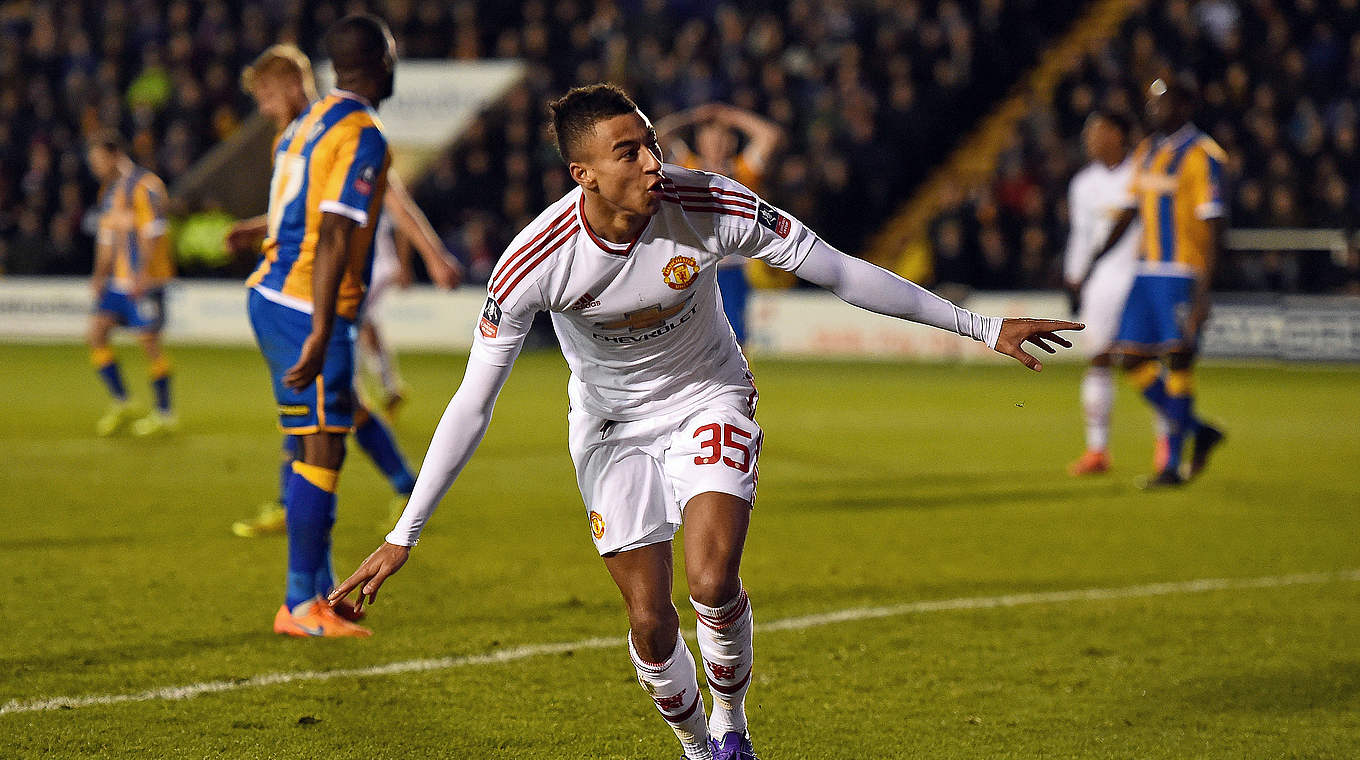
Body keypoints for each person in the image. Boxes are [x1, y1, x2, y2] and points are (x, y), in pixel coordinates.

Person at [328, 84, 1080, 758]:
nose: (653, 161)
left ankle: (731, 724)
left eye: (652, 141)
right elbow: (473, 400)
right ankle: (698, 747)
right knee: (651, 623)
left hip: (707, 395)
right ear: (582, 174)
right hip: (610, 427)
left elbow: (842, 271)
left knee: (713, 580)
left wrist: (981, 327)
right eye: (629, 152)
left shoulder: (710, 203)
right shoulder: (535, 261)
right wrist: (405, 534)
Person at [227, 43, 460, 539]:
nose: (265, 109)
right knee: (335, 401)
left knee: (314, 403)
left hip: (331, 284)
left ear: (292, 83)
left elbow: (391, 199)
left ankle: (298, 518)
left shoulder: (341, 131)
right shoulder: (295, 135)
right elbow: (300, 212)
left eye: (267, 96)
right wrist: (255, 227)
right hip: (311, 282)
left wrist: (434, 255)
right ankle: (400, 484)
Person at [245, 15, 398, 637]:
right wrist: (321, 328)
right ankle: (298, 604)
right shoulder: (362, 133)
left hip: (277, 292)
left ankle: (317, 593)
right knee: (324, 445)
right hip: (309, 303)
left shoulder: (307, 122)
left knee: (318, 439)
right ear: (383, 62)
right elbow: (334, 230)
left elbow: (298, 206)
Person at [1081, 78, 1226, 488]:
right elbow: (1129, 212)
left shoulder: (1202, 155)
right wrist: (1094, 258)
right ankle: (1199, 431)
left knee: (1178, 359)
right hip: (1146, 273)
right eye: (1150, 103)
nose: (1152, 110)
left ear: (1183, 106)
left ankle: (1171, 466)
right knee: (1131, 359)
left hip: (1182, 273)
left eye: (1160, 103)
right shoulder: (1147, 151)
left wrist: (1204, 293)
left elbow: (1216, 226)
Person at [1062, 112, 1168, 475]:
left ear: (1118, 134)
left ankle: (1165, 442)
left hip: (1141, 275)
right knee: (1099, 359)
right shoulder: (1083, 184)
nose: (1090, 140)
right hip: (1101, 282)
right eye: (1088, 133)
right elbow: (1080, 235)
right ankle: (1097, 451)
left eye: (1098, 132)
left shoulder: (1140, 172)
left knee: (1149, 359)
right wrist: (1073, 277)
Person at [656, 103, 784, 344]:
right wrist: (692, 116)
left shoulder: (743, 170)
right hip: (690, 266)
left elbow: (771, 135)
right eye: (709, 136)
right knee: (686, 338)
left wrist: (732, 116)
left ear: (731, 142)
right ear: (699, 140)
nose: (715, 143)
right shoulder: (687, 167)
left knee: (735, 337)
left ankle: (739, 381)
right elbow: (657, 134)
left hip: (730, 267)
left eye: (721, 137)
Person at [85, 129, 177, 437]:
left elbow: (154, 232)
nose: (94, 166)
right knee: (96, 333)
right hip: (117, 282)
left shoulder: (146, 186)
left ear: (114, 156)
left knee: (149, 343)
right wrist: (99, 278)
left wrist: (143, 276)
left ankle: (165, 413)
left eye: (98, 160)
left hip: (144, 281)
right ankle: (122, 401)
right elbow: (108, 240)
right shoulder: (109, 193)